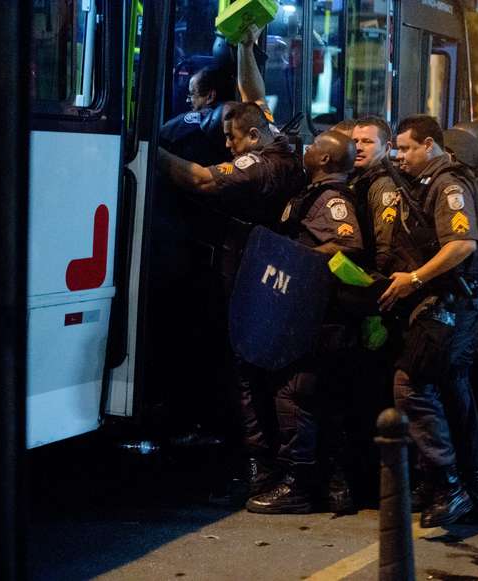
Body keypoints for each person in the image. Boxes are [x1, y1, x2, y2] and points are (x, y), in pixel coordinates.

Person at [158, 101, 305, 496]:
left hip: (250, 277)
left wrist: (145, 147)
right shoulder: (286, 144)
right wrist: (244, 47)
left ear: (254, 136)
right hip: (265, 276)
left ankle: (262, 466)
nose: (227, 146)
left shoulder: (261, 164)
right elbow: (253, 96)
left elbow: (203, 181)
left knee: (249, 373)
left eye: (232, 137)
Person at [246, 131, 365, 514]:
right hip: (310, 313)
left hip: (322, 317)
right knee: (318, 401)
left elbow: (348, 246)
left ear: (327, 160)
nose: (307, 149)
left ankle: (297, 486)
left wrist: (295, 257)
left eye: (314, 147)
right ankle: (333, 487)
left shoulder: (331, 199)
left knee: (295, 395)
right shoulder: (310, 192)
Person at [379, 115, 478, 527]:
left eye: (405, 148)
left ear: (429, 145)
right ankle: (464, 485)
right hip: (443, 300)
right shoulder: (429, 181)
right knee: (450, 389)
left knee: (411, 382)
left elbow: (462, 244)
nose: (399, 156)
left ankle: (449, 483)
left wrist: (415, 279)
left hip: (454, 302)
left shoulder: (448, 184)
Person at [349, 116, 398, 272]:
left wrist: (376, 283)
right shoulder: (358, 177)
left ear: (387, 147)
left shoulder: (384, 184)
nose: (358, 147)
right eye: (355, 141)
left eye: (367, 141)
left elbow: (385, 244)